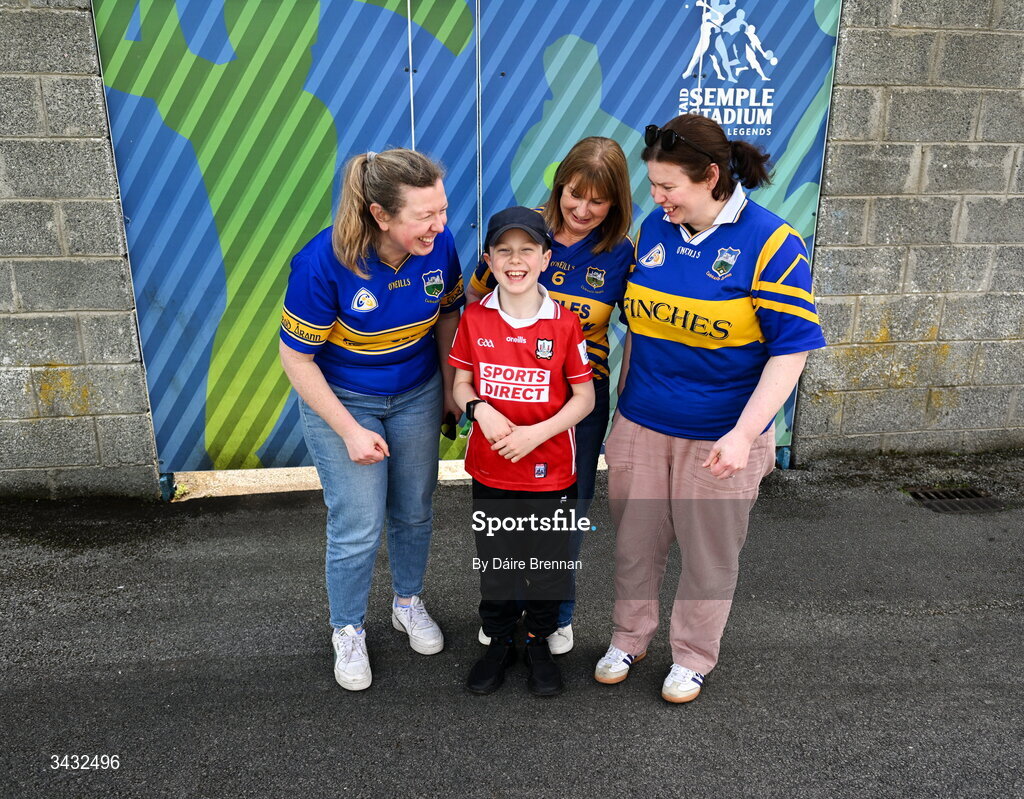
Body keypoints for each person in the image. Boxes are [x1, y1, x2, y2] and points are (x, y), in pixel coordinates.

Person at [594, 115, 826, 703]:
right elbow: (639, 332)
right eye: (654, 185)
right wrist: (623, 417)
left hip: (720, 436)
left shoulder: (773, 243)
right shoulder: (653, 230)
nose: (657, 197)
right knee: (634, 546)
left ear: (712, 178)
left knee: (708, 557)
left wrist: (747, 435)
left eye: (669, 186)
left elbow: (791, 353)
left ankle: (692, 657)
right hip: (644, 423)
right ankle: (629, 637)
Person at [279, 148, 464, 691]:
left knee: (414, 510)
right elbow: (297, 358)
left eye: (442, 211)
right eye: (423, 216)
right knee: (358, 525)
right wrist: (349, 430)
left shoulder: (440, 246)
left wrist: (452, 387)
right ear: (381, 215)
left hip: (417, 394)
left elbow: (448, 312)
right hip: (346, 401)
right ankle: (348, 629)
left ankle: (407, 602)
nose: (439, 226)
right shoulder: (322, 263)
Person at [466, 136, 633, 654]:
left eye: (597, 200)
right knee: (501, 510)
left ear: (615, 203)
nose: (582, 210)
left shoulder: (621, 253)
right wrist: (469, 393)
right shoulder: (525, 234)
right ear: (559, 186)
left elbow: (643, 329)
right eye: (574, 194)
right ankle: (503, 612)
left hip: (580, 395)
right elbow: (476, 298)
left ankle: (555, 614)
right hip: (508, 391)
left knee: (566, 510)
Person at [449, 206, 595, 696]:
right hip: (491, 470)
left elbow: (585, 398)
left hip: (551, 471)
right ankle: (498, 641)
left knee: (547, 564)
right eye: (504, 251)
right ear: (488, 258)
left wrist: (536, 435)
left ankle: (537, 640)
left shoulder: (565, 324)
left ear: (546, 258)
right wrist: (479, 410)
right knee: (496, 562)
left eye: (526, 250)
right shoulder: (474, 317)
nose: (515, 261)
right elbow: (462, 382)